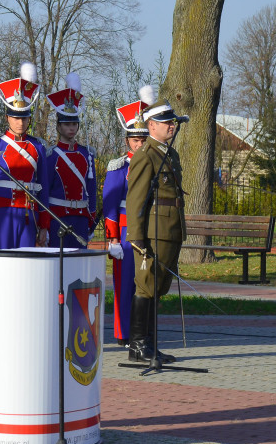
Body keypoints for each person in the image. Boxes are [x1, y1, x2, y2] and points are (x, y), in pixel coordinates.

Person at [124, 86, 183, 364]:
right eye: (167, 122)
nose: (172, 125)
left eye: (173, 121)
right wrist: (136, 237)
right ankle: (137, 345)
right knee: (146, 286)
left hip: (169, 231)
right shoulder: (145, 156)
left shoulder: (169, 155)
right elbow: (135, 199)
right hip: (152, 233)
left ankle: (150, 343)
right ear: (151, 126)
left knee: (158, 288)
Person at [0, 62, 50, 249]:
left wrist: (44, 226)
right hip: (2, 214)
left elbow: (45, 190)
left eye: (24, 118)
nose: (20, 122)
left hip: (29, 214)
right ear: (7, 117)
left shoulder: (38, 147)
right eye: (16, 117)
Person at [101, 93, 150, 346]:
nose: (139, 144)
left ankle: (144, 330)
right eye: (135, 139)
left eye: (143, 139)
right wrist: (111, 239)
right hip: (124, 231)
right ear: (127, 140)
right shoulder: (118, 167)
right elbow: (109, 205)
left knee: (146, 282)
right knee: (124, 284)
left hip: (148, 229)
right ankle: (123, 333)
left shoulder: (154, 164)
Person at [43, 73, 96, 249]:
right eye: (66, 124)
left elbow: (91, 189)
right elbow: (45, 191)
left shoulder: (86, 154)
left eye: (74, 124)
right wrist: (45, 223)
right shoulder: (51, 155)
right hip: (58, 217)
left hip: (81, 217)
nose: (71, 128)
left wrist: (91, 218)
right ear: (58, 126)